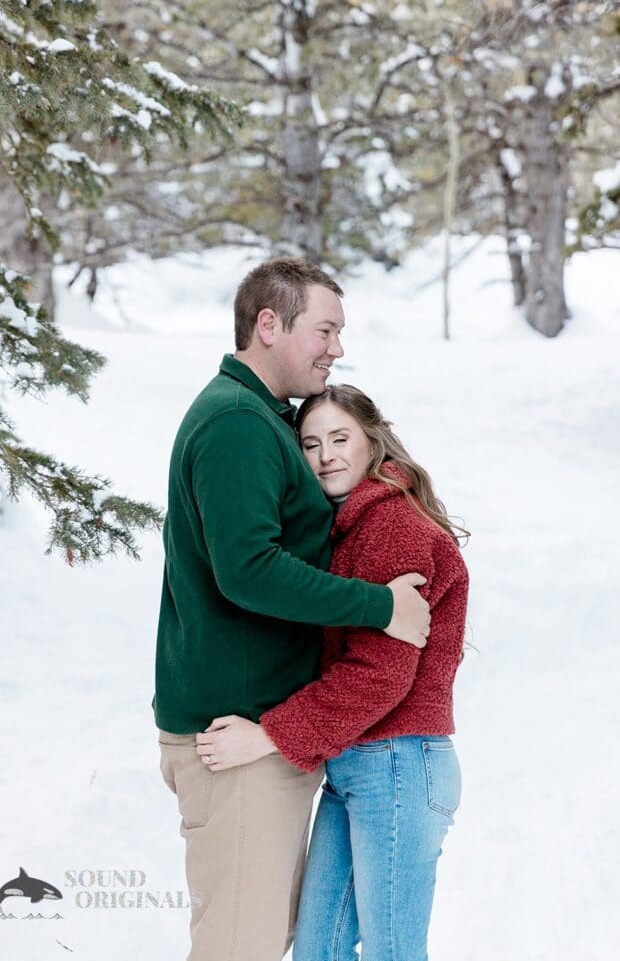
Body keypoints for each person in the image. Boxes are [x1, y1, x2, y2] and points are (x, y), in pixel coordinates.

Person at [153, 259, 432, 961]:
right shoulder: (238, 422)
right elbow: (247, 570)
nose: (336, 348)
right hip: (237, 738)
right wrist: (378, 607)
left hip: (263, 733)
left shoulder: (262, 419)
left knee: (257, 939)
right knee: (238, 948)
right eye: (326, 329)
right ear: (269, 325)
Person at [196, 384, 469, 961]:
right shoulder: (350, 528)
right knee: (319, 948)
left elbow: (380, 674)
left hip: (398, 763)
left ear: (373, 442)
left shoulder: (393, 527)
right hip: (356, 767)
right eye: (311, 444)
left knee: (393, 951)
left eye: (340, 439)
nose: (326, 456)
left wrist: (268, 735)